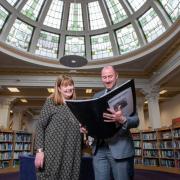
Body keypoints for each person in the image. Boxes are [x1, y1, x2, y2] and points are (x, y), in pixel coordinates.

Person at [88, 66, 139, 180]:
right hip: (99, 149)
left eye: (110, 76)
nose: (107, 80)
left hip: (120, 148)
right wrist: (87, 126)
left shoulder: (127, 92)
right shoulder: (96, 96)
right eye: (104, 77)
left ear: (116, 76)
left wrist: (122, 119)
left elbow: (136, 121)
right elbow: (95, 121)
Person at [34, 75, 81, 180]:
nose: (69, 88)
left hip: (72, 152)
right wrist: (40, 151)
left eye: (71, 85)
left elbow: (77, 126)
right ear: (59, 88)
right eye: (65, 85)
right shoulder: (51, 102)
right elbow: (40, 126)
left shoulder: (77, 105)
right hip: (53, 151)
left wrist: (81, 129)